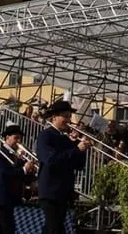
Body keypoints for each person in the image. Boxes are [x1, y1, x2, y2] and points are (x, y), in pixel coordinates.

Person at [35, 99, 90, 234]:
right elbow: (51, 159)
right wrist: (76, 149)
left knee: (53, 228)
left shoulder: (66, 138)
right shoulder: (46, 135)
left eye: (69, 116)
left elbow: (78, 165)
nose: (68, 120)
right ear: (54, 117)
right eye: (65, 116)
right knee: (54, 228)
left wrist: (81, 148)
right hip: (50, 191)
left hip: (64, 191)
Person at [0, 123, 38, 234]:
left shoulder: (14, 156)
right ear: (7, 137)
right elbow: (4, 174)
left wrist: (29, 170)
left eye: (19, 138)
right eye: (16, 138)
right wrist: (24, 169)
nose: (18, 141)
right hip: (2, 197)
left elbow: (22, 177)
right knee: (8, 228)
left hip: (10, 197)